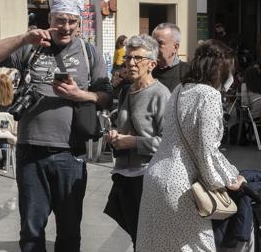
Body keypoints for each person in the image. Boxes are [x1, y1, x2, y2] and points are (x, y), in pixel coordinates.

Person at [0, 0, 111, 252]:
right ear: (49, 18)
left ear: (79, 23)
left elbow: (107, 97)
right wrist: (24, 37)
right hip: (31, 152)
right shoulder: (31, 47)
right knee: (31, 229)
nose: (66, 27)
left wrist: (80, 94)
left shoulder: (89, 52)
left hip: (71, 154)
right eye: (60, 20)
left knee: (69, 230)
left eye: (72, 21)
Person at [135, 40, 246, 252]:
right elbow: (207, 151)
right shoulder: (210, 95)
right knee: (195, 247)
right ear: (220, 68)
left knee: (156, 245)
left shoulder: (180, 89)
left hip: (155, 177)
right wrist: (230, 179)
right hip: (181, 186)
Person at [104, 35, 170, 249]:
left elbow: (168, 142)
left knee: (146, 239)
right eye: (128, 57)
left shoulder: (160, 94)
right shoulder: (127, 90)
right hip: (124, 174)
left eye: (137, 58)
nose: (131, 63)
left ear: (152, 64)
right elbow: (125, 128)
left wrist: (133, 142)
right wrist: (115, 135)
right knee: (137, 237)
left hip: (147, 176)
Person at [151, 22, 190, 92]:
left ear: (175, 47)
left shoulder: (188, 72)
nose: (154, 47)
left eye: (160, 43)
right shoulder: (148, 71)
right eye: (153, 43)